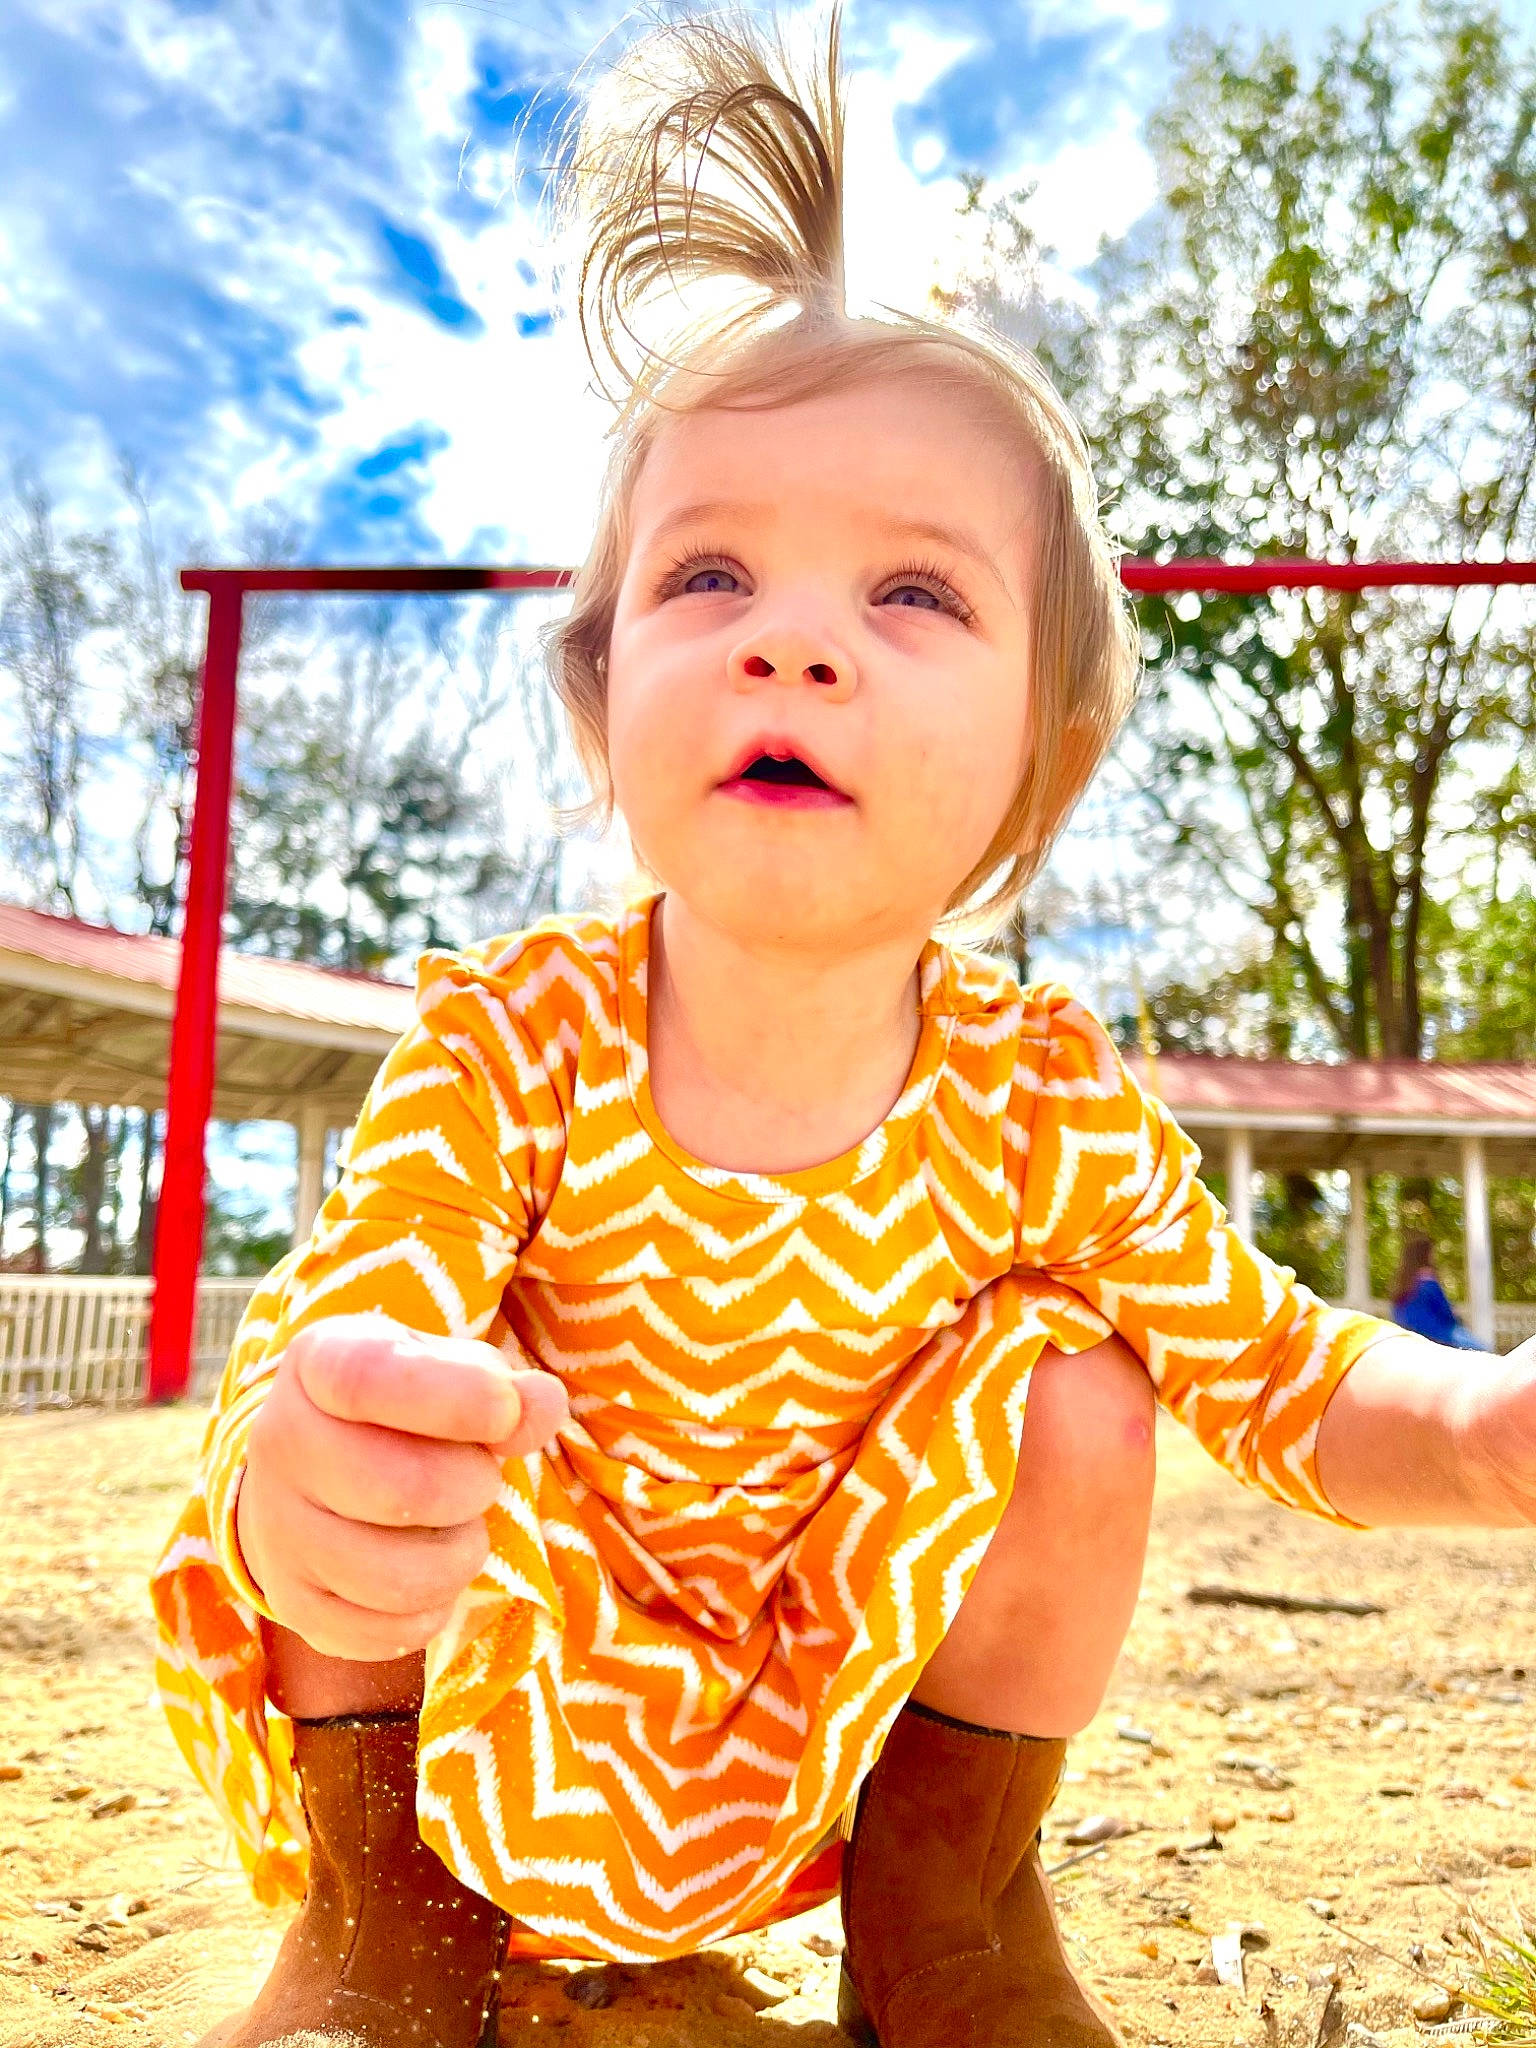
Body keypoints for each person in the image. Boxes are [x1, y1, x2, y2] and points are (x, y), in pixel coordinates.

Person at [150, 11, 1536, 2046]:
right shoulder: (514, 1036)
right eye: (710, 572)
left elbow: (1280, 1369)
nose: (794, 634)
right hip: (495, 1675)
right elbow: (379, 1304)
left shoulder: (1040, 1090)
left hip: (818, 1709)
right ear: (603, 693)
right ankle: (388, 1914)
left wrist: (1493, 1429)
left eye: (914, 594)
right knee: (360, 1365)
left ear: (1039, 770)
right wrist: (323, 1492)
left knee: (1088, 1383)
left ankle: (949, 1909)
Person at [1391, 1231, 1489, 1349]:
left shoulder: (1402, 1285)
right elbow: (1445, 1312)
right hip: (1439, 1334)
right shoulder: (1428, 1281)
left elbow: (1397, 1314)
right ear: (1424, 1255)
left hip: (1409, 1335)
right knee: (1483, 1350)